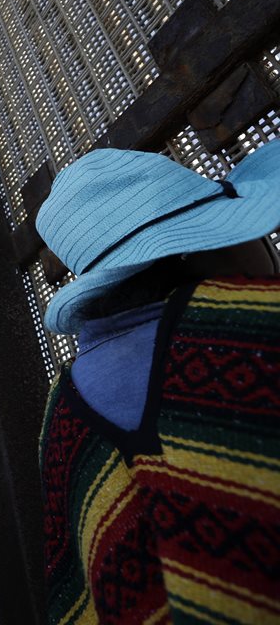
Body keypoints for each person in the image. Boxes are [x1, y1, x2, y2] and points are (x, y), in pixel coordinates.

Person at [35, 141, 280, 624]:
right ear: (192, 248)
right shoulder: (260, 329)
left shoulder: (59, 415)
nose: (267, 242)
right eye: (247, 225)